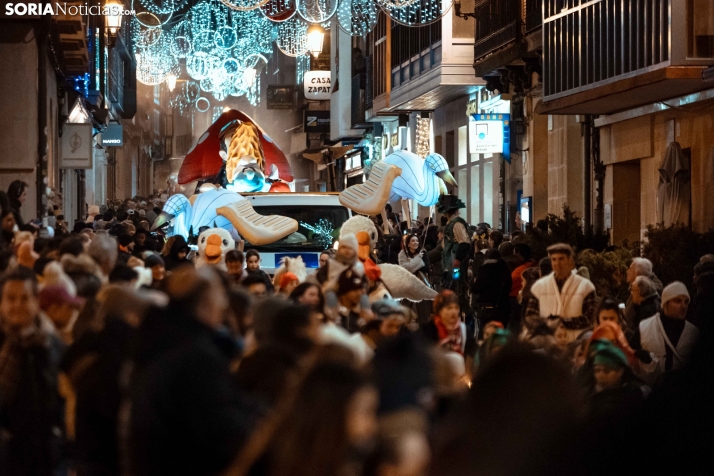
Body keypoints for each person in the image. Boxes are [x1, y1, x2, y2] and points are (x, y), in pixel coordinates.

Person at [127, 266, 260, 476]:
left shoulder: (158, 345)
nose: (224, 306)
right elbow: (222, 430)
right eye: (220, 298)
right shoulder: (196, 359)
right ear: (206, 305)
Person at [0, 269, 65, 476]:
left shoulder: (51, 348)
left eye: (24, 298)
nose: (17, 305)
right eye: (11, 298)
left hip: (38, 458)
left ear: (36, 301)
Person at [525, 243, 598, 344]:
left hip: (576, 341)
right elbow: (530, 315)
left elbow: (590, 317)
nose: (557, 263)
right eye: (554, 259)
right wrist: (547, 324)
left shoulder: (585, 286)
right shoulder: (539, 286)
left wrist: (564, 322)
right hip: (547, 342)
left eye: (561, 259)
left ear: (569, 261)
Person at [630, 281, 699, 382]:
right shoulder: (645, 327)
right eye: (677, 301)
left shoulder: (693, 333)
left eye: (686, 302)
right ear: (666, 303)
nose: (683, 306)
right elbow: (630, 356)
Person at [436, 195, 470, 308]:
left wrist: (458, 259)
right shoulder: (451, 223)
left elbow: (464, 243)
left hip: (456, 264)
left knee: (457, 287)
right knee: (451, 287)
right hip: (451, 262)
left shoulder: (457, 224)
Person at [422, 290, 476, 361]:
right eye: (449, 308)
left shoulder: (465, 330)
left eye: (456, 307)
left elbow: (473, 354)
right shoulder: (427, 330)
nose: (453, 311)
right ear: (439, 311)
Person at [471, 249, 512, 329]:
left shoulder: (485, 270)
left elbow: (476, 288)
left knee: (487, 333)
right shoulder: (506, 269)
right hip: (503, 307)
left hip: (487, 308)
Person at [398, 232, 432, 325]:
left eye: (417, 241)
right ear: (408, 243)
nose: (415, 243)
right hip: (408, 284)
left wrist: (413, 265)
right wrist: (418, 261)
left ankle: (424, 329)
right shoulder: (402, 254)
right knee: (405, 307)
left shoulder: (423, 252)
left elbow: (427, 268)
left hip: (421, 284)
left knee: (423, 311)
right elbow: (405, 268)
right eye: (413, 241)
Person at [624, 257, 662, 326]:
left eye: (630, 269)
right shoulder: (638, 285)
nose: (627, 271)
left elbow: (630, 316)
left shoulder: (647, 289)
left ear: (637, 274)